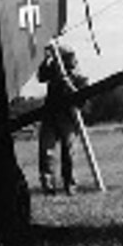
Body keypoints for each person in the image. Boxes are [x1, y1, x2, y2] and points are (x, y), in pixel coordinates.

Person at [37, 44, 84, 195]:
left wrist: (68, 83)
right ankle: (48, 187)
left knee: (69, 154)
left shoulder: (79, 78)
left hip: (68, 118)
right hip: (50, 116)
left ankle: (71, 187)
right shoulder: (53, 73)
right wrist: (45, 59)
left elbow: (82, 100)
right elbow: (41, 76)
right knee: (46, 153)